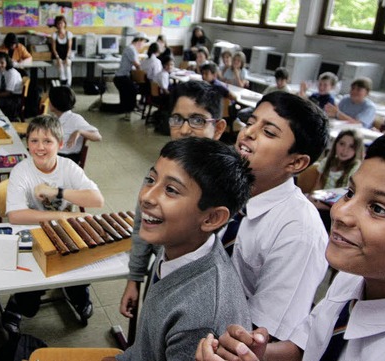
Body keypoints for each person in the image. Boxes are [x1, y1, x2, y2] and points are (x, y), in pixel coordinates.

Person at [196, 128, 385, 361]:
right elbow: (309, 346)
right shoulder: (354, 277)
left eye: (378, 208)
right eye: (350, 193)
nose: (340, 212)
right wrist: (256, 355)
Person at [110, 137, 255, 361]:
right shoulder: (178, 243)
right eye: (151, 179)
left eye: (170, 190)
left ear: (212, 218)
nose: (146, 196)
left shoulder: (200, 323)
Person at [222, 92, 330, 343]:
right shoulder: (230, 186)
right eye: (250, 123)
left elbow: (263, 334)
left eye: (269, 132)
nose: (247, 133)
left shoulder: (299, 232)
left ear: (296, 162)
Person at [119, 80, 228, 321]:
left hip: (197, 290)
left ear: (218, 128)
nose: (185, 129)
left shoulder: (226, 183)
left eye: (198, 120)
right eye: (177, 119)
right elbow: (141, 226)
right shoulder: (159, 170)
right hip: (160, 271)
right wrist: (135, 277)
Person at [2, 115, 104, 334]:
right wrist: (59, 216)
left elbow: (97, 200)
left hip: (65, 232)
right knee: (31, 277)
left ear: (60, 143)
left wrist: (57, 192)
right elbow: (15, 216)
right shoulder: (21, 170)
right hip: (32, 232)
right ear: (27, 143)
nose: (40, 147)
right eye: (34, 141)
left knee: (81, 261)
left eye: (47, 141)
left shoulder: (69, 167)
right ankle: (19, 302)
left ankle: (78, 293)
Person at [309, 129, 364, 230]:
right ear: (335, 144)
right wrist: (312, 200)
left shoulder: (355, 168)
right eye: (342, 144)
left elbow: (347, 198)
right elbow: (318, 186)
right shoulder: (327, 162)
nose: (344, 150)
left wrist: (322, 206)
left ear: (357, 149)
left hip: (339, 208)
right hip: (321, 202)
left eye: (351, 146)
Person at [49, 86, 102, 164]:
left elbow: (98, 137)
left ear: (55, 103)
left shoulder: (75, 119)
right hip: (55, 156)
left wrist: (79, 131)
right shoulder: (56, 118)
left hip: (66, 160)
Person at [100, 33, 149, 116]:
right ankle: (102, 106)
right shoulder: (131, 49)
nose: (143, 45)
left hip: (122, 78)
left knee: (125, 104)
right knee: (132, 92)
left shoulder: (132, 49)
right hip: (121, 78)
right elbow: (137, 65)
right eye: (144, 42)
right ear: (139, 40)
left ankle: (105, 106)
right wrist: (145, 73)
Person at [0, 51, 24, 121]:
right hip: (6, 94)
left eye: (2, 63)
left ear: (7, 63)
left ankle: (4, 119)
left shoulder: (12, 73)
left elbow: (8, 92)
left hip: (15, 98)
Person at [51, 15, 73, 86]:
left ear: (64, 23)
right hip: (57, 56)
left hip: (67, 55)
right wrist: (58, 58)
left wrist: (67, 58)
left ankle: (68, 85)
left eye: (61, 23)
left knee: (67, 67)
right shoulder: (54, 35)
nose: (60, 25)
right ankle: (63, 84)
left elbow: (69, 48)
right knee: (61, 68)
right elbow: (54, 48)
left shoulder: (69, 34)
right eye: (58, 23)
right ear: (56, 25)